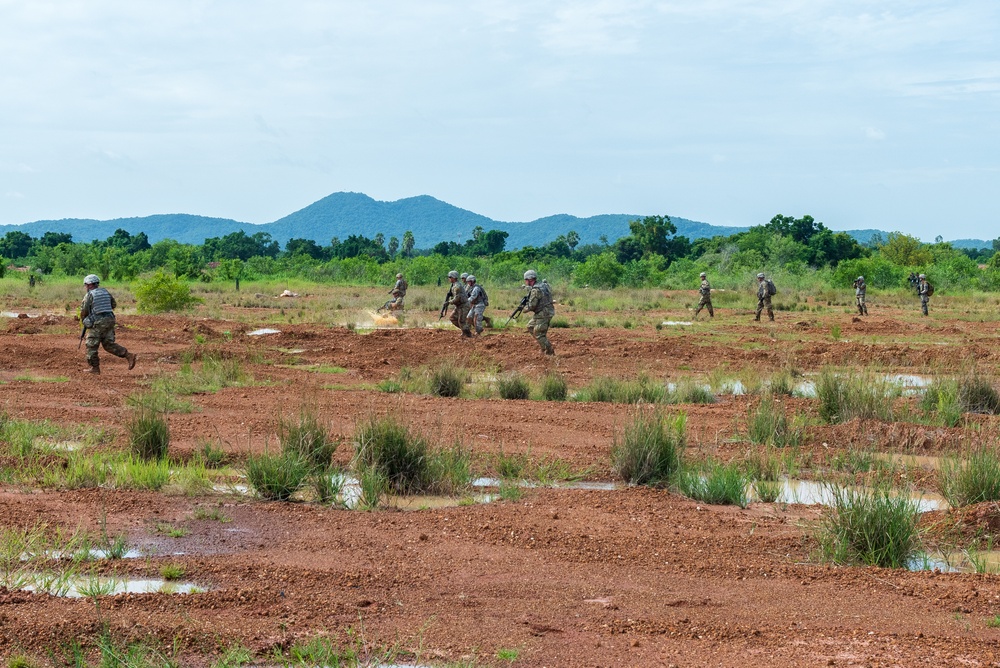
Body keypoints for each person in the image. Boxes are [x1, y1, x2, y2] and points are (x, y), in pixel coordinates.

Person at [80, 274, 136, 374]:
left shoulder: (89, 295)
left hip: (98, 322)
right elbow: (113, 304)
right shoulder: (105, 292)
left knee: (91, 345)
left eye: (86, 285)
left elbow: (84, 311)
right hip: (110, 320)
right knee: (108, 344)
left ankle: (94, 368)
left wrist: (87, 319)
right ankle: (128, 355)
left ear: (89, 285)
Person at [523, 269, 555, 355]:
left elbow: (532, 305)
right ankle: (543, 345)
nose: (525, 282)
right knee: (530, 327)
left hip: (544, 313)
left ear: (530, 279)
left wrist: (524, 309)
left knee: (539, 333)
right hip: (542, 312)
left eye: (526, 280)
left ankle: (549, 351)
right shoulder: (542, 285)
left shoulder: (535, 289)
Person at [445, 270, 472, 337]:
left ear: (453, 278)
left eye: (450, 277)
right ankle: (465, 330)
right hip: (459, 306)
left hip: (463, 305)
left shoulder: (457, 286)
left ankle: (468, 334)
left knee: (461, 321)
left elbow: (457, 298)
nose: (449, 278)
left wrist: (449, 302)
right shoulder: (454, 285)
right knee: (452, 318)